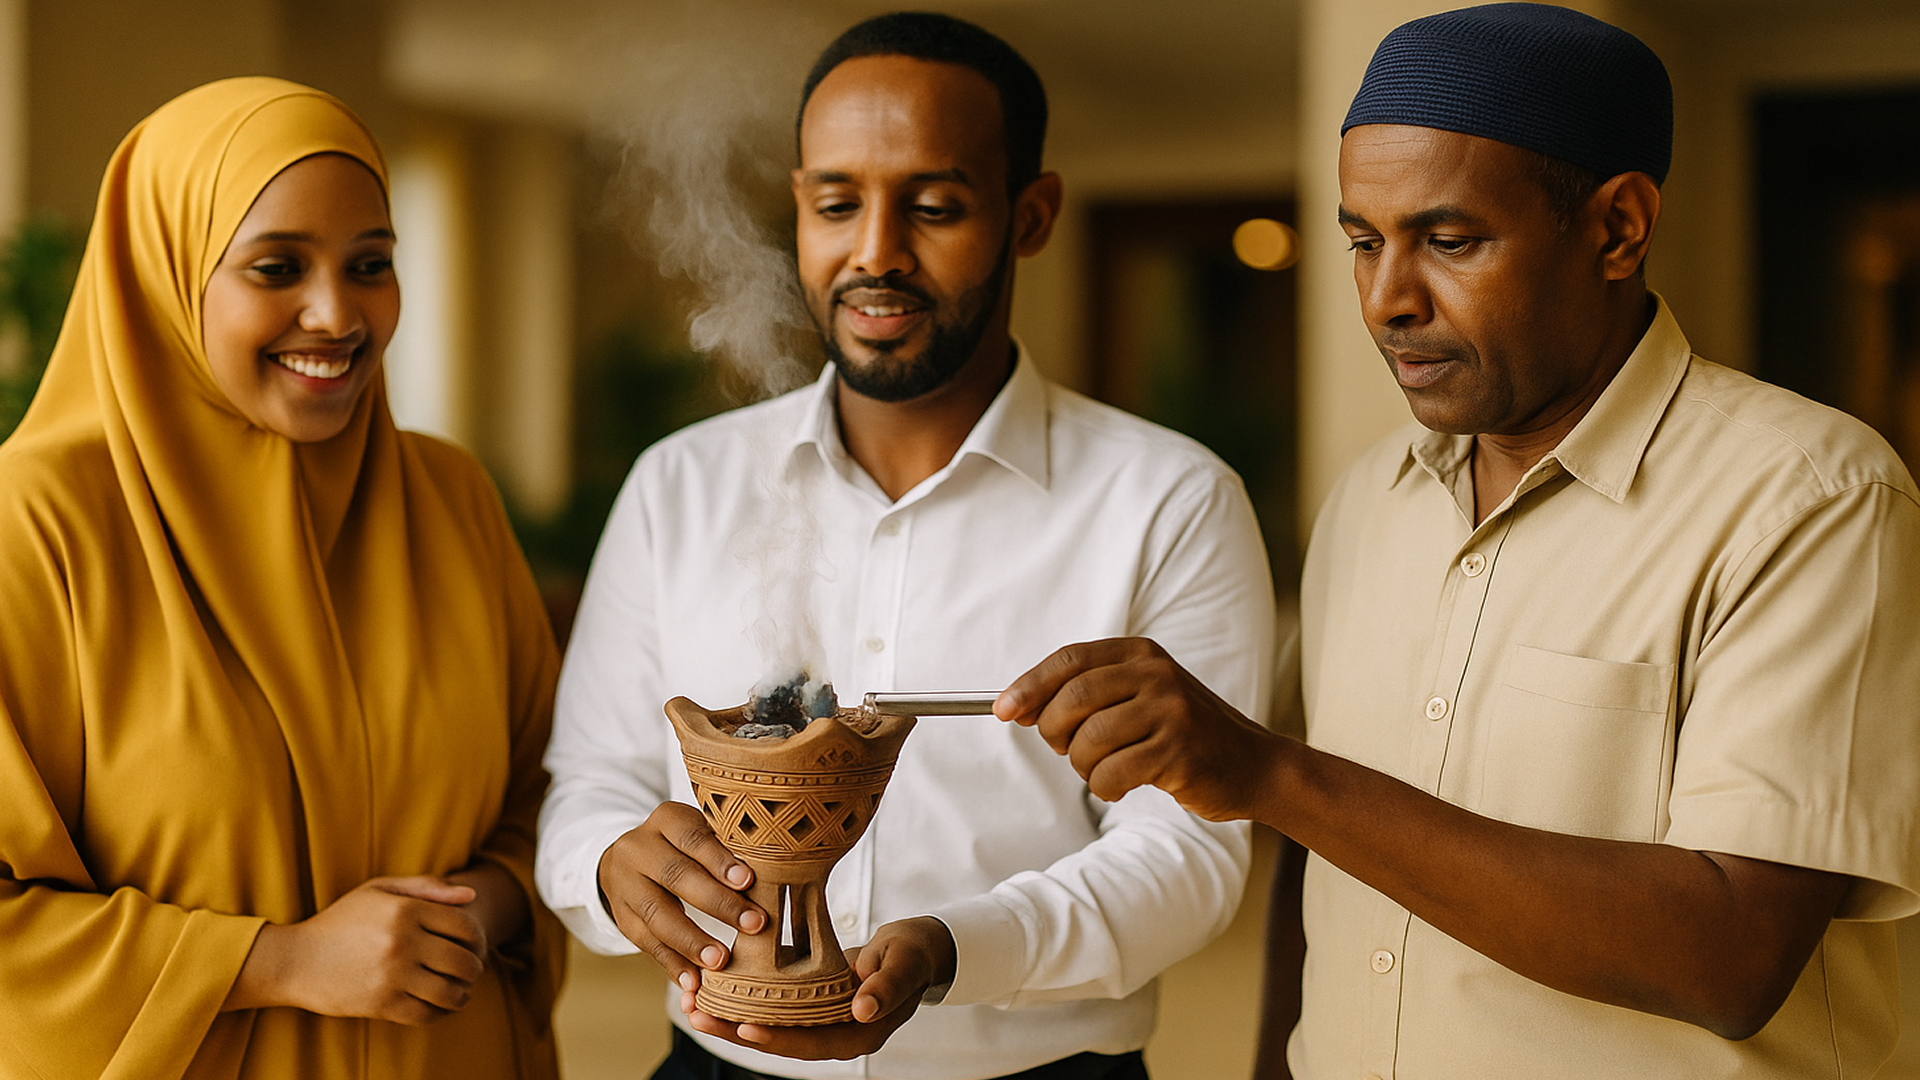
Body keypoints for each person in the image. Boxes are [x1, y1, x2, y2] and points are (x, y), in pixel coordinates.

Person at [995, 5, 1920, 1078]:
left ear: (1618, 228)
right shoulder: (1369, 500)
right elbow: (1321, 861)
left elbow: (1730, 956)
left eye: (1449, 241)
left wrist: (1273, 774)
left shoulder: (1811, 500)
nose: (1387, 300)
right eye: (1362, 242)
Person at [535, 11, 1275, 1080]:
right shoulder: (679, 486)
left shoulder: (1170, 501)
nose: (875, 252)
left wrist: (951, 951)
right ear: (800, 205)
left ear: (1031, 215)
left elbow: (1188, 851)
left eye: (934, 207)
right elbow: (589, 786)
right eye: (837, 204)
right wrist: (612, 869)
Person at [0, 78, 564, 1078]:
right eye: (277, 267)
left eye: (371, 265)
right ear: (168, 271)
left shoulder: (451, 501)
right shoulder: (37, 525)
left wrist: (481, 910)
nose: (336, 314)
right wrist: (280, 962)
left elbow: (552, 796)